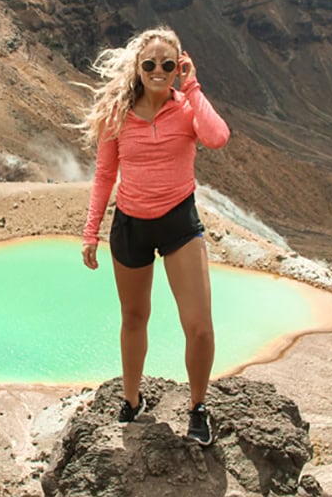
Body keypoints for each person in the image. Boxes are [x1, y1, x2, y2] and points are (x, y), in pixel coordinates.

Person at [78, 25, 231, 445]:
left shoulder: (187, 109)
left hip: (179, 223)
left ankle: (198, 408)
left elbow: (218, 138)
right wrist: (91, 231)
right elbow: (105, 174)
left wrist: (192, 83)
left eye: (168, 64)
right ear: (138, 68)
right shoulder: (117, 114)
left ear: (178, 64)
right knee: (134, 318)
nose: (158, 71)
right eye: (150, 64)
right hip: (130, 226)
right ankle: (131, 401)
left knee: (199, 325)